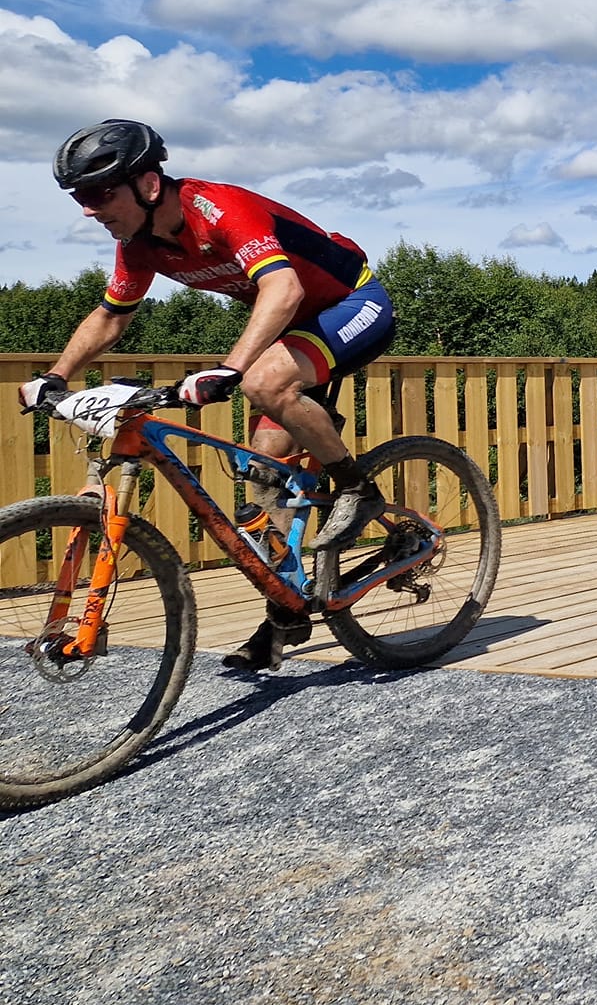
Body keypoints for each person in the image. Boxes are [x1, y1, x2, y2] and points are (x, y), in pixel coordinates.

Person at [18, 120, 398, 672]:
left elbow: (284, 288)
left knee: (264, 382)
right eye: (80, 197)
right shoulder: (140, 244)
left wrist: (228, 368)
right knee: (264, 481)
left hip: (351, 303)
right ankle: (285, 614)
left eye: (100, 193)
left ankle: (358, 488)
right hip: (294, 324)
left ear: (149, 185)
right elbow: (110, 317)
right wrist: (55, 376)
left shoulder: (216, 209)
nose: (89, 209)